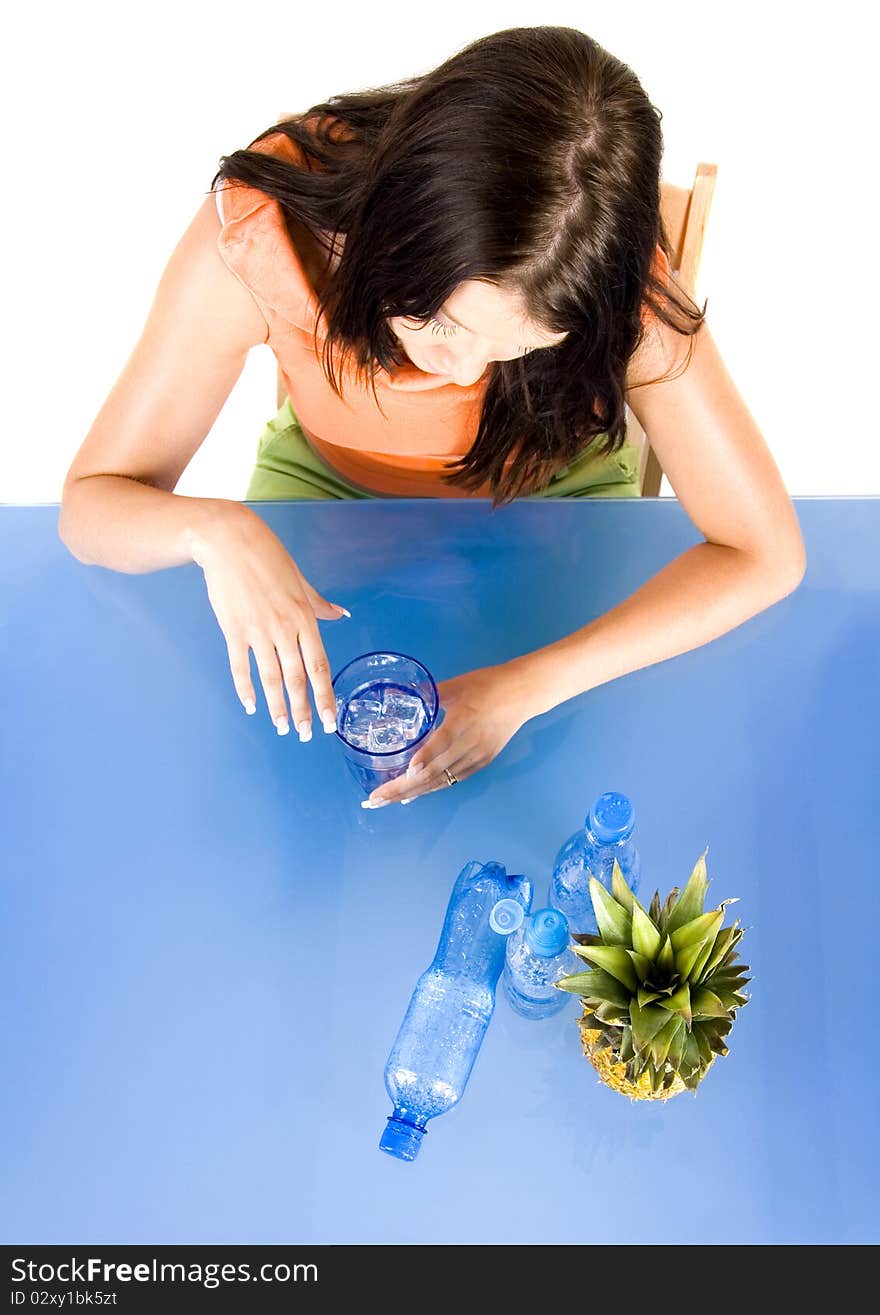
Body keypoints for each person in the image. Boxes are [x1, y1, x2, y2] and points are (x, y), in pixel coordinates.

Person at [58, 26, 806, 808]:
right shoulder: (266, 235)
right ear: (395, 228)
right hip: (329, 484)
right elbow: (90, 505)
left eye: (521, 343)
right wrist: (211, 528)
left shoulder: (603, 274)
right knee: (273, 781)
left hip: (556, 495)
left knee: (563, 780)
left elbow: (766, 554)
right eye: (442, 322)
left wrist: (524, 687)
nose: (464, 371)